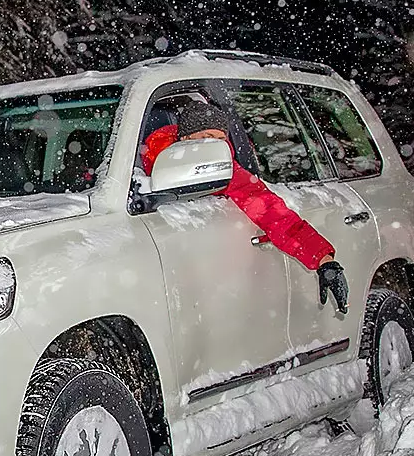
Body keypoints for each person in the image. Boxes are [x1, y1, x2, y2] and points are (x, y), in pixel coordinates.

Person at [141, 100, 349, 312]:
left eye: (221, 139)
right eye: (206, 138)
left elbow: (273, 213)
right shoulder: (140, 167)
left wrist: (324, 260)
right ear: (184, 138)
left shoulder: (226, 170)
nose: (214, 147)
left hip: (211, 291)